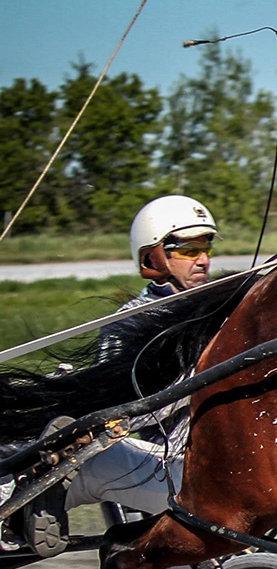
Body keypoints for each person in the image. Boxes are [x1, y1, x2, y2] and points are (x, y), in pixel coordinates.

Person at [67, 195, 218, 514]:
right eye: (190, 249)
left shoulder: (218, 307)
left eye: (206, 247)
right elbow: (116, 410)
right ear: (154, 257)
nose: (203, 259)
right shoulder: (131, 321)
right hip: (166, 457)